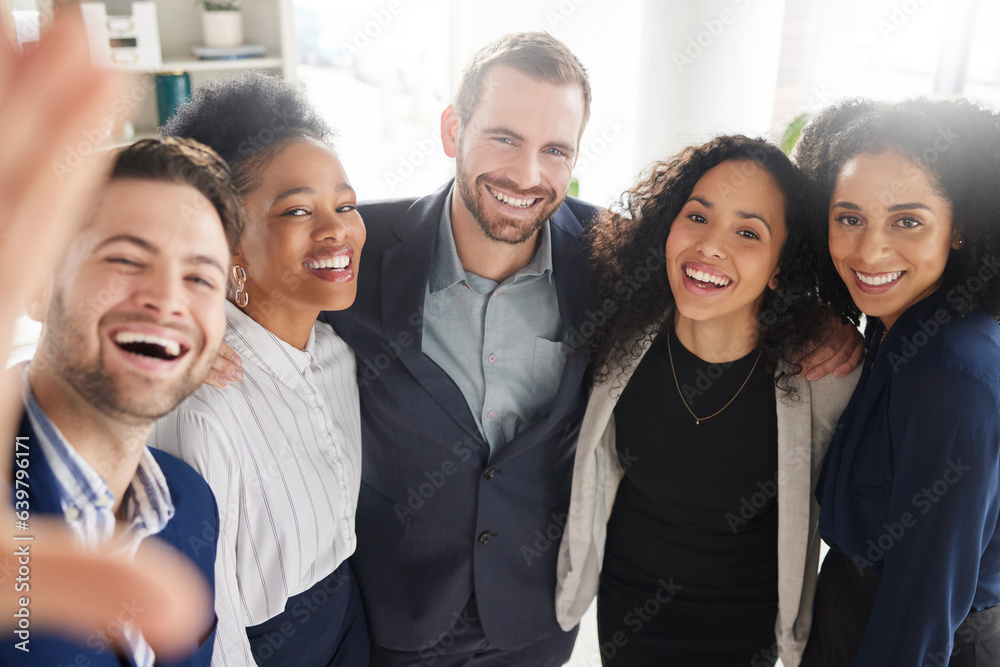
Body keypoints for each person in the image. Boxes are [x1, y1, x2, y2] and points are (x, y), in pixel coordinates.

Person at [206, 33, 859, 666]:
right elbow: (231, 246)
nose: (527, 173)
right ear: (451, 131)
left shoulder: (615, 259)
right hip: (393, 619)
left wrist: (819, 320)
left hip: (536, 625)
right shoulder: (355, 243)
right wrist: (204, 327)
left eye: (554, 149)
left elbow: (725, 270)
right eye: (504, 138)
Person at [555, 135, 861, 666]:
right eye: (697, 217)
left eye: (747, 232)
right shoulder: (618, 336)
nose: (711, 246)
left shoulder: (821, 373)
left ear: (780, 266)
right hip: (630, 611)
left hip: (746, 624)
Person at [151, 71, 370, 666]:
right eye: (297, 210)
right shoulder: (203, 404)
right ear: (228, 240)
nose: (336, 230)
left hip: (353, 626)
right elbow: (204, 619)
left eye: (345, 205)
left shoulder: (338, 356)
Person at [0, 134, 244, 666]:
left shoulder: (191, 502)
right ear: (41, 287)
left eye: (201, 276)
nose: (168, 298)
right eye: (127, 259)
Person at [795, 98, 1000, 665]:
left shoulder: (954, 377)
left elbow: (922, 606)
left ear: (960, 228)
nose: (870, 250)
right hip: (849, 603)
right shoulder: (897, 324)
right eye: (849, 218)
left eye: (907, 221)